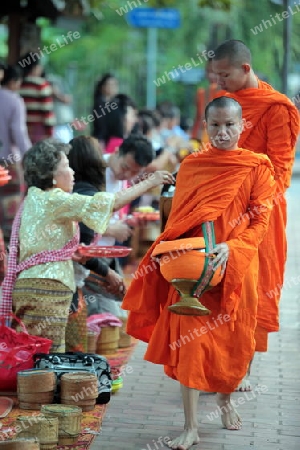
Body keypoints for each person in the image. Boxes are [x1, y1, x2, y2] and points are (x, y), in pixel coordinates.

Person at [122, 97, 276, 449]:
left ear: (242, 126)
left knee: (234, 343)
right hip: (194, 269)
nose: (223, 133)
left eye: (229, 125)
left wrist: (232, 247)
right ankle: (190, 426)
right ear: (206, 127)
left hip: (238, 264)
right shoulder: (192, 166)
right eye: (215, 126)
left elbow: (259, 219)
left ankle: (224, 401)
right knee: (190, 343)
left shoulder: (256, 166)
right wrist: (179, 255)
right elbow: (178, 221)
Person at [0, 139, 174, 353]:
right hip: (48, 288)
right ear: (52, 176)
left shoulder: (34, 198)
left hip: (28, 286)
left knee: (30, 354)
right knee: (47, 358)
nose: (72, 172)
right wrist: (149, 182)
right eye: (66, 166)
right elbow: (111, 202)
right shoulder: (55, 199)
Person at [212, 39, 300, 389]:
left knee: (253, 285)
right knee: (220, 283)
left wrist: (252, 204)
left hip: (260, 210)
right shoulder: (226, 104)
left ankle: (241, 366)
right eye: (216, 75)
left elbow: (281, 168)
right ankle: (217, 361)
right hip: (223, 206)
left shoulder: (275, 107)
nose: (219, 82)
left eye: (224, 74)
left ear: (245, 69)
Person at [68, 135, 125, 323]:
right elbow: (82, 250)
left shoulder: (76, 191)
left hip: (86, 265)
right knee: (110, 321)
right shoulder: (86, 195)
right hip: (72, 273)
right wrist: (107, 273)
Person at [0, 64, 32, 244]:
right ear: (13, 81)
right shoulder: (14, 100)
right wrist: (28, 156)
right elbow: (18, 131)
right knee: (10, 209)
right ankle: (6, 253)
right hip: (8, 162)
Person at [18, 53, 56, 143]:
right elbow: (47, 110)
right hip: (38, 130)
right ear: (35, 67)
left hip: (21, 128)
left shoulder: (18, 84)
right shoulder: (42, 85)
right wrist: (50, 132)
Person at [191, 57, 219, 142]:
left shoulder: (228, 93)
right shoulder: (201, 93)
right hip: (200, 138)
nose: (210, 75)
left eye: (214, 72)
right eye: (208, 71)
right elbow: (198, 118)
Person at [92, 73, 119, 147]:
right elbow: (100, 125)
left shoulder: (116, 103)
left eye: (115, 85)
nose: (113, 87)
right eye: (110, 85)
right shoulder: (100, 103)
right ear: (103, 87)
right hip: (103, 140)